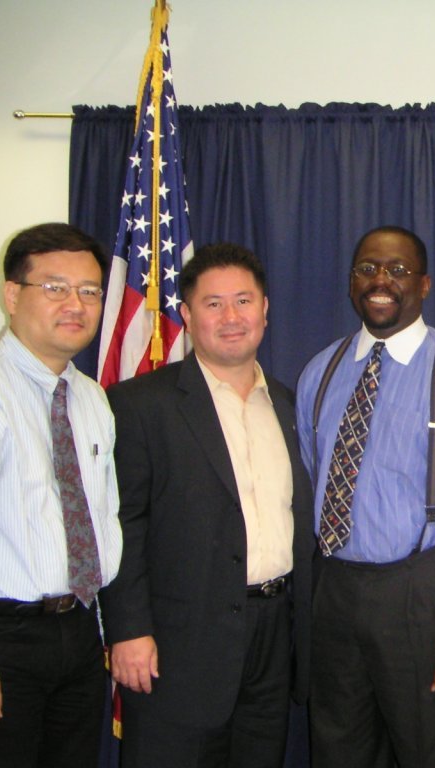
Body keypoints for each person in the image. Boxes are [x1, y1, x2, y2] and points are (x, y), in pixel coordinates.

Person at [296, 225, 435, 768]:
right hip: (335, 589)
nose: (381, 281)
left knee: (429, 753)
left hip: (419, 593)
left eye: (397, 270)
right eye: (367, 268)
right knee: (338, 752)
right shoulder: (320, 372)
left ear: (424, 284)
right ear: (352, 281)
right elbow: (313, 472)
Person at [99, 243, 314, 767]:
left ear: (265, 309)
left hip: (274, 638)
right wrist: (128, 629)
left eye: (244, 301)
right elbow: (123, 524)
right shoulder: (140, 405)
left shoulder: (291, 405)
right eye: (213, 304)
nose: (231, 317)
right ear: (188, 315)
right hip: (178, 645)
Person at [0, 222, 121, 767]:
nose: (76, 304)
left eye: (89, 291)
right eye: (54, 287)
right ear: (11, 295)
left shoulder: (91, 398)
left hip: (80, 631)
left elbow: (102, 520)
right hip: (2, 638)